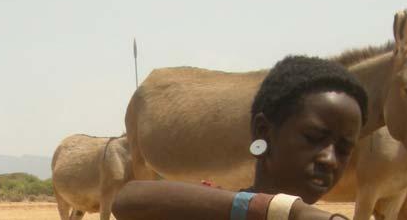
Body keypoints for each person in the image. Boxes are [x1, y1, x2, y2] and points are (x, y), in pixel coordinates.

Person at [112, 55, 368, 220]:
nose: (330, 159)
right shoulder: (212, 210)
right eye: (313, 137)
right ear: (263, 132)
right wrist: (284, 211)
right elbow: (129, 200)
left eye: (344, 149)